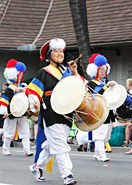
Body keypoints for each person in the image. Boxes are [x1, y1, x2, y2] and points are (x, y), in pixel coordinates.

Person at [26, 38, 79, 184]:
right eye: (56, 51)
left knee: (53, 144)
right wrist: (34, 102)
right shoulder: (44, 72)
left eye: (61, 51)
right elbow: (32, 90)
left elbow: (78, 88)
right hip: (50, 111)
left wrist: (74, 73)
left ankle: (37, 166)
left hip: (67, 112)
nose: (59, 54)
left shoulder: (67, 71)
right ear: (49, 55)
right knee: (60, 144)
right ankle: (67, 174)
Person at [0, 59, 33, 157]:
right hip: (12, 114)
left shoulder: (23, 87)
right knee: (9, 132)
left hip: (22, 113)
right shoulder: (9, 90)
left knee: (25, 132)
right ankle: (5, 149)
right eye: (20, 74)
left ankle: (27, 150)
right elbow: (4, 102)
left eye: (22, 74)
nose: (21, 76)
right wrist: (4, 111)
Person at [86, 53, 116, 162]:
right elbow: (92, 95)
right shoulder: (91, 83)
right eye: (101, 70)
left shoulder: (107, 82)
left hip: (109, 110)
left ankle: (97, 153)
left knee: (106, 135)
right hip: (98, 110)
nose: (103, 72)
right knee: (100, 133)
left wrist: (113, 85)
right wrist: (106, 86)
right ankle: (102, 155)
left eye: (104, 70)